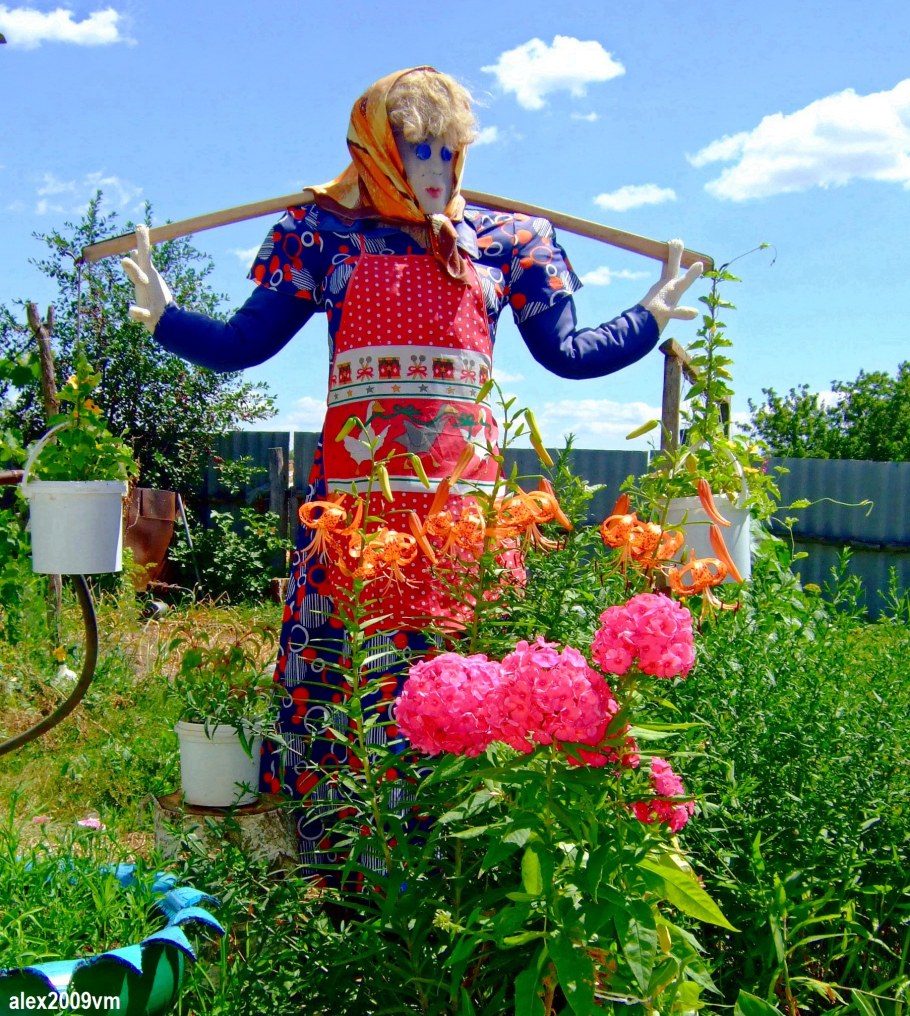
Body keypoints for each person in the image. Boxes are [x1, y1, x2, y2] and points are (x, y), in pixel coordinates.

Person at [123, 66, 703, 878]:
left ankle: (461, 876)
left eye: (448, 152)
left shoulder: (507, 241)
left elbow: (568, 355)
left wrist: (652, 315)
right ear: (377, 149)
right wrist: (162, 316)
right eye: (416, 150)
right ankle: (343, 878)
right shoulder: (324, 234)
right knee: (344, 689)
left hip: (463, 525)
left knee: (468, 691)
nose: (435, 171)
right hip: (352, 524)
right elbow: (242, 346)